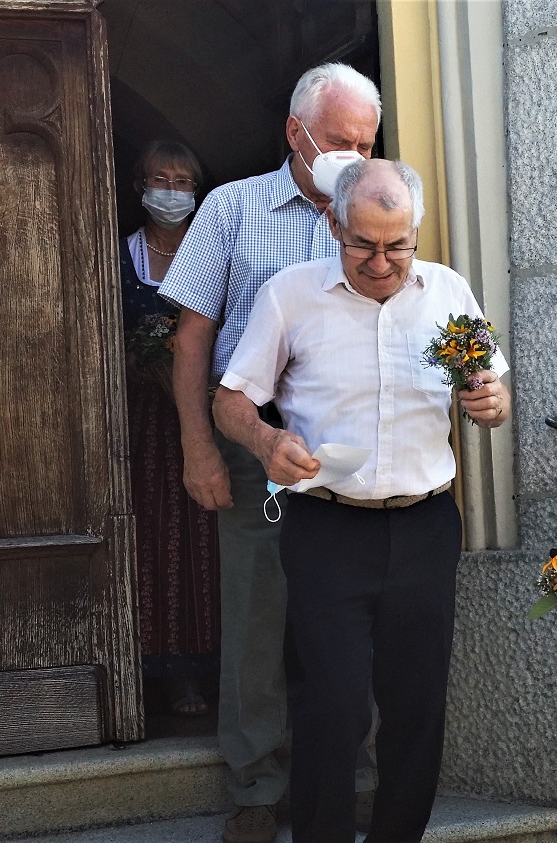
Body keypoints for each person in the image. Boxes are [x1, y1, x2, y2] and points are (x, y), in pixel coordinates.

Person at [215, 158, 510, 842]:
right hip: (327, 526)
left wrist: (491, 402)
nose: (382, 262)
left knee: (417, 704)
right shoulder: (291, 295)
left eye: (398, 245)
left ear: (416, 232)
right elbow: (230, 400)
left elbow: (488, 394)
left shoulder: (447, 294)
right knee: (336, 703)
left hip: (426, 524)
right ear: (332, 222)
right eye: (363, 244)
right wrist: (264, 441)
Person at [156, 63, 381, 843]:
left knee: (346, 617)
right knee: (258, 611)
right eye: (340, 139)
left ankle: (342, 777)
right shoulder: (232, 208)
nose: (354, 154)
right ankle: (254, 784)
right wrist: (199, 447)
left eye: (366, 140)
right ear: (297, 132)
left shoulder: (381, 209)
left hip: (354, 444)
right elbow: (192, 336)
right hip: (254, 436)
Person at [120, 140, 220, 719]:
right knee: (155, 538)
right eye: (162, 179)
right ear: (140, 186)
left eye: (184, 182)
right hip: (146, 427)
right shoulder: (120, 255)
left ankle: (212, 669)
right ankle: (160, 670)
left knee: (208, 540)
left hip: (211, 414)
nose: (173, 191)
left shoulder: (214, 248)